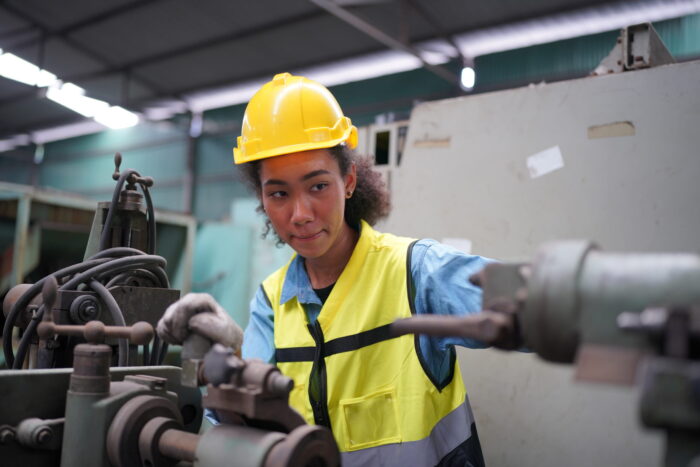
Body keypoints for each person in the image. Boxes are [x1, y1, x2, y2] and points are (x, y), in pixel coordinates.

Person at [160, 72, 492, 466]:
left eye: (318, 186)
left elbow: (527, 301)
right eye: (279, 193)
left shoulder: (415, 273)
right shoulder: (270, 303)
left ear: (348, 181)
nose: (300, 215)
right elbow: (247, 429)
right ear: (262, 200)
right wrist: (229, 359)